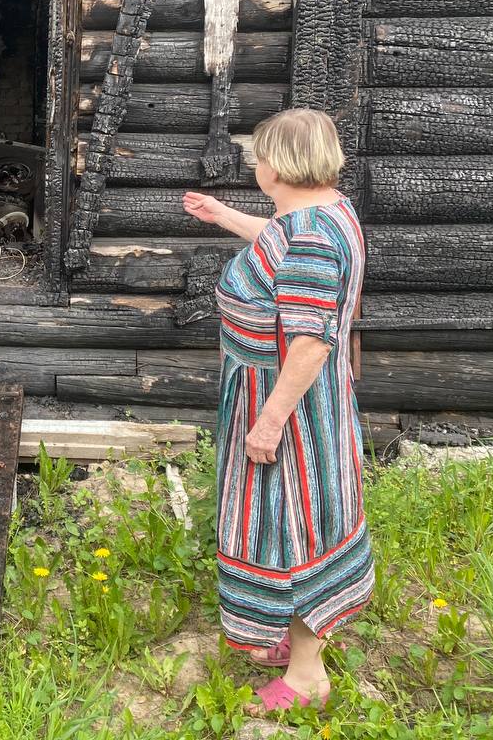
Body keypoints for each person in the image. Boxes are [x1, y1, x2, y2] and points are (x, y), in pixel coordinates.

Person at [182, 109, 373, 712]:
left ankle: (309, 677)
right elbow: (277, 242)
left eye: (260, 156)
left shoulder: (314, 235)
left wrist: (268, 423)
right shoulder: (322, 213)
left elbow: (311, 342)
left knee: (296, 525)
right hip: (288, 398)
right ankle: (292, 640)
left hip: (291, 412)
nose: (255, 166)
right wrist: (221, 215)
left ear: (281, 164)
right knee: (283, 520)